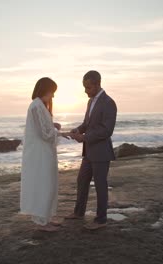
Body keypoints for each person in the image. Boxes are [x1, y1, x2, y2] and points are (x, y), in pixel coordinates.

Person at [65, 70, 117, 230]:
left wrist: (85, 138)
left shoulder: (109, 103)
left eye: (88, 87)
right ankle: (79, 213)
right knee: (82, 181)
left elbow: (106, 129)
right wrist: (78, 130)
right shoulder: (91, 102)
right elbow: (87, 123)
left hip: (101, 152)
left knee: (101, 185)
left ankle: (101, 220)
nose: (85, 91)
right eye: (84, 87)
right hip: (89, 152)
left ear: (97, 84)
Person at [20, 77, 69, 232]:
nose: (53, 96)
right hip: (40, 154)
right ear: (45, 90)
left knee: (48, 183)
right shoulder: (36, 106)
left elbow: (43, 127)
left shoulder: (40, 106)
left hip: (45, 152)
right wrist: (61, 133)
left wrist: (53, 125)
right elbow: (44, 134)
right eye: (52, 92)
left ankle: (46, 217)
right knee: (44, 184)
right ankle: (42, 222)